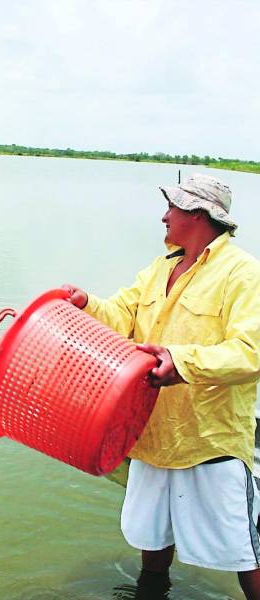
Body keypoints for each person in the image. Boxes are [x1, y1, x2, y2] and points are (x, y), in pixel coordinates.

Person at [61, 173, 260, 599]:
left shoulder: (242, 274)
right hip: (151, 432)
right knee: (151, 538)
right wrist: (86, 303)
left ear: (198, 215)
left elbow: (251, 352)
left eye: (173, 207)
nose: (164, 216)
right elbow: (121, 315)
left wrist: (182, 363)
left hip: (209, 441)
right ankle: (152, 592)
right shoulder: (161, 267)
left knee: (244, 551)